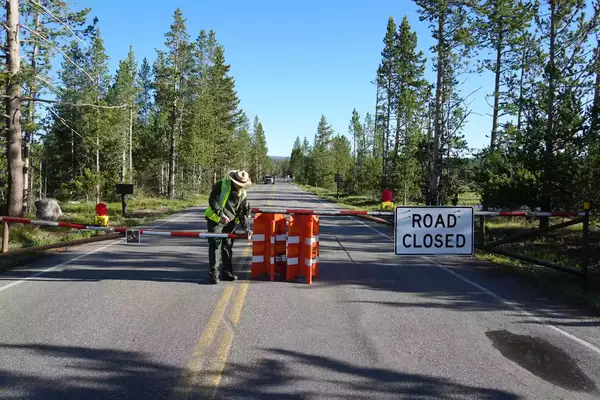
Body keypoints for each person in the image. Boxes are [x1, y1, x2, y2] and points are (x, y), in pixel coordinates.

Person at [204, 170, 253, 284]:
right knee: (215, 245)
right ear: (234, 180)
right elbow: (213, 201)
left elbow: (241, 213)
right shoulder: (221, 185)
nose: (240, 187)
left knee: (227, 246)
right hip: (215, 220)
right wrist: (221, 215)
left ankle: (227, 272)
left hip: (230, 222)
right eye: (239, 184)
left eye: (242, 185)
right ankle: (214, 274)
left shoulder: (243, 194)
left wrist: (246, 229)